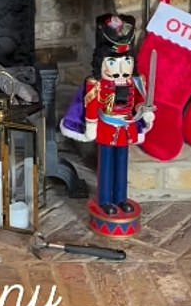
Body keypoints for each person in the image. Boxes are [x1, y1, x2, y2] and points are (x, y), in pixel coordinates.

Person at [60, 13, 155, 216]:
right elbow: (92, 106)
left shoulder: (135, 83)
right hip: (105, 128)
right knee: (106, 166)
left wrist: (144, 112)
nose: (121, 70)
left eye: (126, 63)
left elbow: (138, 103)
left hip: (125, 129)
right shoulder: (96, 85)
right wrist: (91, 125)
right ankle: (105, 200)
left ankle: (120, 198)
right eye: (113, 63)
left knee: (122, 165)